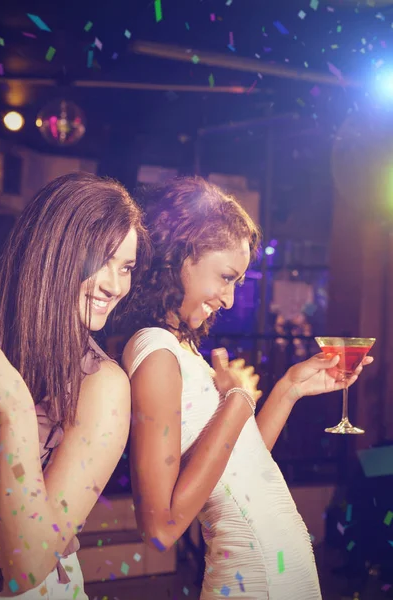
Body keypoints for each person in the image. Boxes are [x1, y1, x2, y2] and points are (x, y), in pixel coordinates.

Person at [121, 176, 373, 600]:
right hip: (253, 582)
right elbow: (159, 530)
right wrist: (237, 399)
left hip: (277, 578)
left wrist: (288, 388)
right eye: (225, 277)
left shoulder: (183, 351)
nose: (231, 299)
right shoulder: (155, 354)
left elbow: (237, 467)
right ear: (182, 254)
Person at [0, 172, 150, 599]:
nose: (113, 286)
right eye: (99, 259)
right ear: (49, 252)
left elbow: (27, 566)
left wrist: (14, 406)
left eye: (126, 268)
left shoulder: (102, 387)